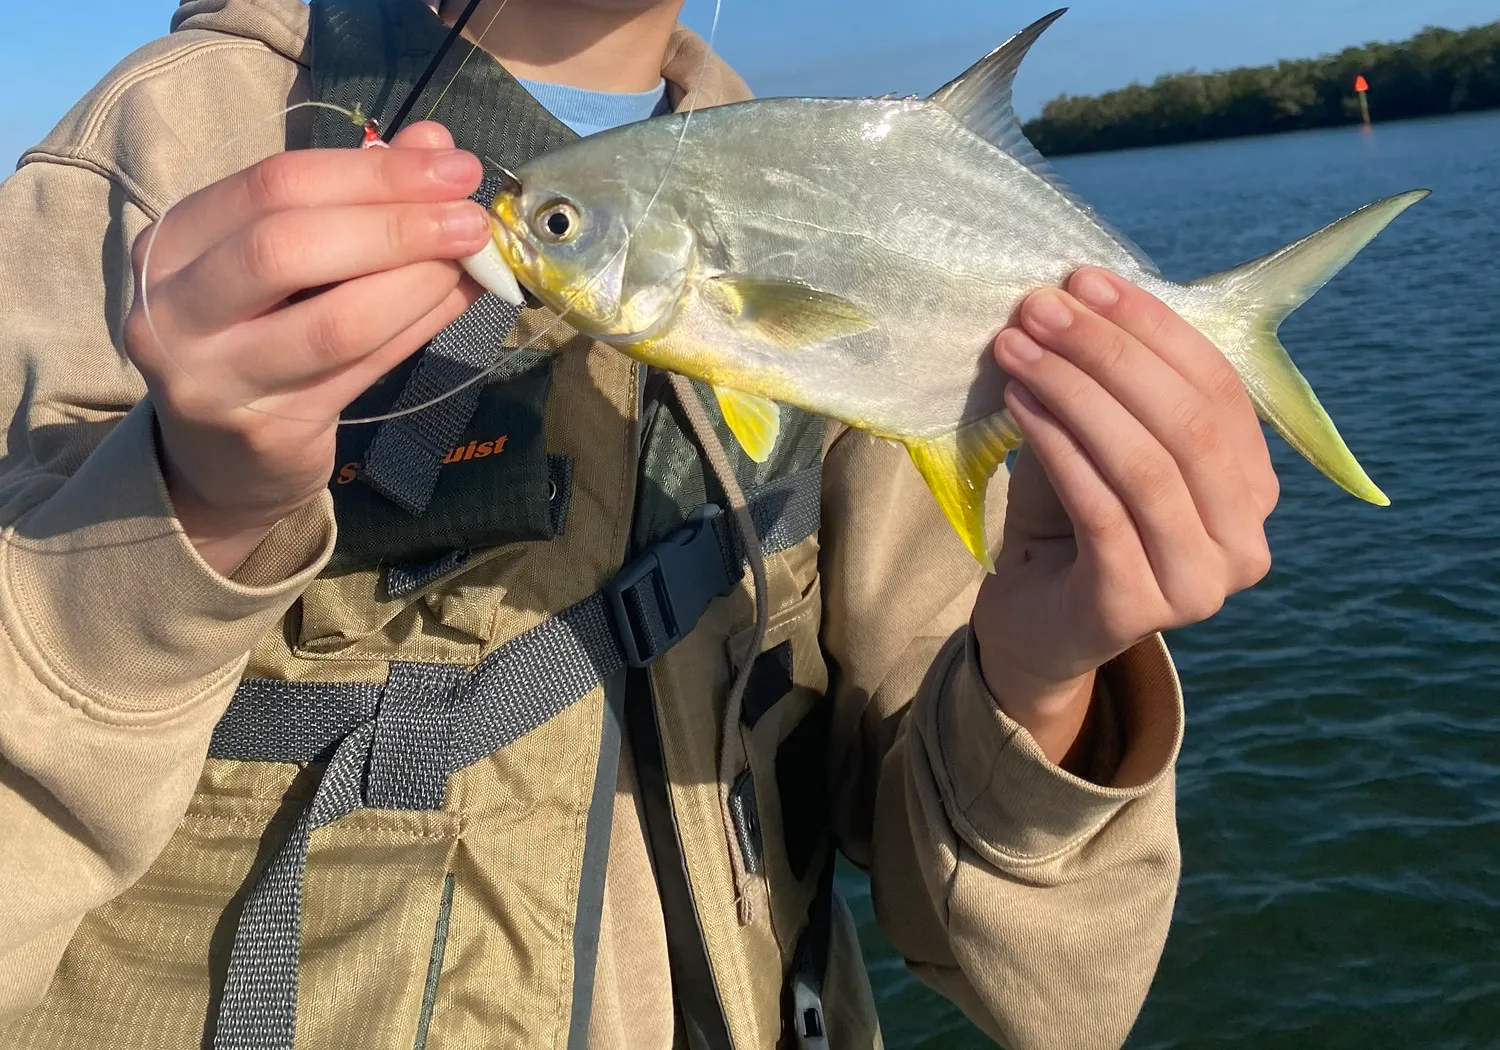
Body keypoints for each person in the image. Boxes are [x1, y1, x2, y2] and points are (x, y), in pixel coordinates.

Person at [0, 0, 1278, 1047]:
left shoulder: (843, 187)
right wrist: (178, 519)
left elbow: (1054, 1002)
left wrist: (1048, 676)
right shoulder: (174, 142)